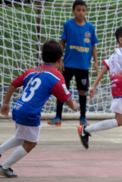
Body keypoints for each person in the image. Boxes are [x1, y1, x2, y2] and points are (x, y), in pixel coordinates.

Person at [0, 40, 78, 178]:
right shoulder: (57, 76)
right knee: (31, 143)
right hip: (30, 113)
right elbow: (68, 101)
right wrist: (75, 105)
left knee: (21, 137)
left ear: (42, 58)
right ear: (60, 60)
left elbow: (13, 84)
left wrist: (5, 103)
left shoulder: (32, 71)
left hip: (18, 108)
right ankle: (4, 167)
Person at [48, 0, 99, 127]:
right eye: (78, 10)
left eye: (83, 10)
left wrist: (96, 62)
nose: (81, 12)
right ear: (73, 10)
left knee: (82, 91)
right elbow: (62, 43)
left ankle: (83, 117)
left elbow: (93, 46)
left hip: (83, 65)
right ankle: (58, 117)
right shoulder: (68, 25)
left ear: (86, 11)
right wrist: (60, 60)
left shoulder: (90, 27)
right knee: (62, 90)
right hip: (68, 64)